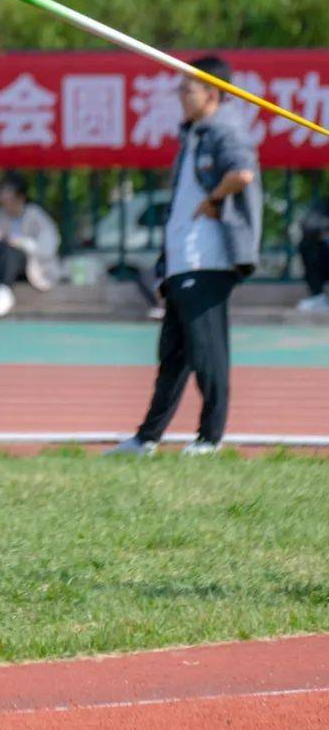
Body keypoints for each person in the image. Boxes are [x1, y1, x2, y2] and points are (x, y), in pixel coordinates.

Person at [105, 57, 262, 458]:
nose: (180, 96)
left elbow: (242, 172)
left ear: (212, 92)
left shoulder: (225, 128)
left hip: (207, 261)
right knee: (173, 357)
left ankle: (210, 438)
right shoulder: (193, 134)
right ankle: (147, 438)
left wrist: (214, 200)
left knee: (208, 351)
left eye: (187, 89)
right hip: (182, 262)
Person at [0, 171, 59, 317]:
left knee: (11, 250)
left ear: (21, 197)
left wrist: (20, 242)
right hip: (1, 262)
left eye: (9, 198)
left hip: (32, 265)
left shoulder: (35, 215)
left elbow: (47, 247)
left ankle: (3, 291)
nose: (5, 202)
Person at [296, 203, 329, 314]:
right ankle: (318, 296)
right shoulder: (324, 206)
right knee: (307, 246)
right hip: (324, 260)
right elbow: (311, 225)